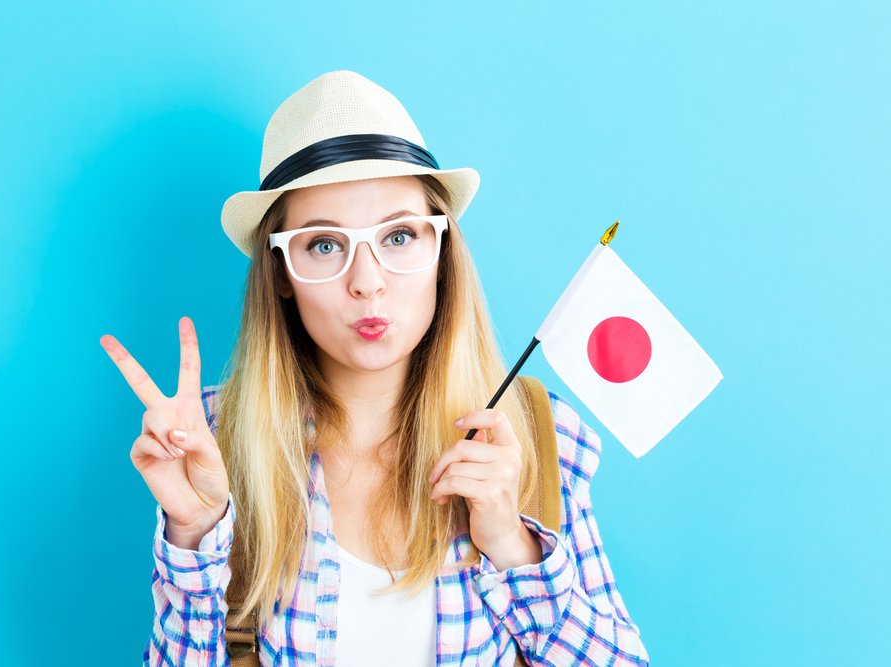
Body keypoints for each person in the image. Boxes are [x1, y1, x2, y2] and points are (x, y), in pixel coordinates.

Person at [100, 70, 651, 666]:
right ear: (281, 274)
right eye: (324, 245)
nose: (367, 283)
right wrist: (195, 536)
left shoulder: (534, 432)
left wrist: (514, 547)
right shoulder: (211, 437)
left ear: (442, 253)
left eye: (399, 236)